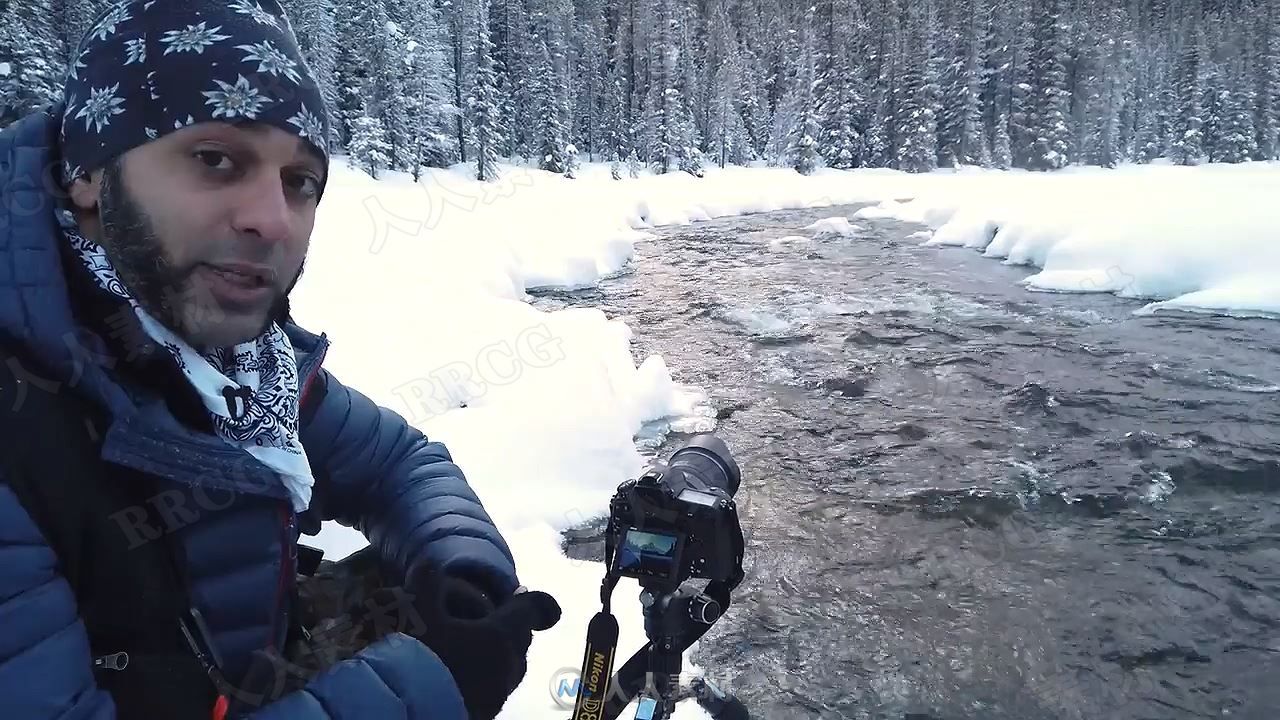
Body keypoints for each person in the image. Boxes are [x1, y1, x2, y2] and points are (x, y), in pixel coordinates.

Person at [0, 1, 560, 718]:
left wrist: (460, 568)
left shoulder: (247, 371)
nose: (272, 219)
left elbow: (400, 463)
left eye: (300, 181)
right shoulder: (24, 433)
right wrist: (422, 691)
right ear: (88, 173)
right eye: (216, 159)